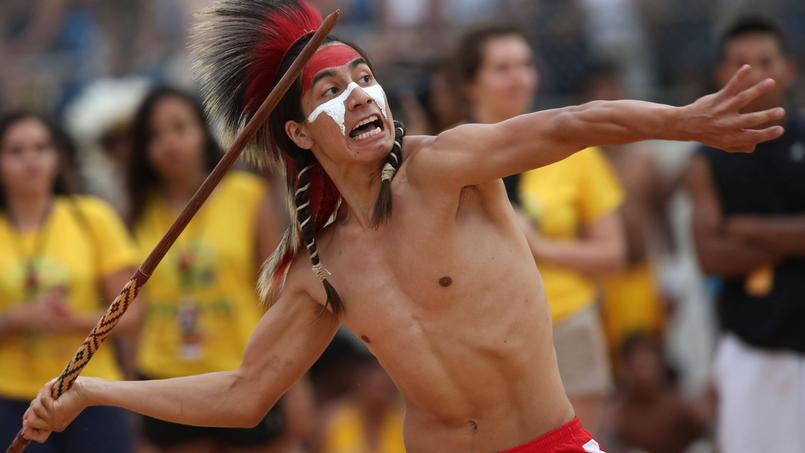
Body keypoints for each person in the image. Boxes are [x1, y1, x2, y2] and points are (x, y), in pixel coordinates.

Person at [21, 1, 784, 451]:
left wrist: (685, 121)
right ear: (296, 135)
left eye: (364, 79)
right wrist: (98, 391)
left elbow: (571, 123)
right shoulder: (317, 265)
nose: (359, 96)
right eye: (330, 90)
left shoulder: (445, 168)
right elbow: (246, 395)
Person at [453, 25, 624, 433]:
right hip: (484, 334)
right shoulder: (448, 157)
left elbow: (613, 254)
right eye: (502, 68)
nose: (518, 77)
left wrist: (537, 245)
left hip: (566, 321)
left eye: (525, 65)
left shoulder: (577, 151)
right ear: (470, 84)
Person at [125, 86, 304, 453]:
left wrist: (296, 383)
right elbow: (131, 312)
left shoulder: (247, 194)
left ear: (204, 131)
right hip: (164, 379)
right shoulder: (136, 212)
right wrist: (129, 391)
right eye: (155, 135)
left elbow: (279, 295)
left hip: (244, 372)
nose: (169, 143)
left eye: (179, 127)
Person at [685, 17, 805, 452]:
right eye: (741, 63)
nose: (755, 72)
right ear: (722, 75)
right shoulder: (705, 158)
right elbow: (710, 257)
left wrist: (748, 230)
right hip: (754, 344)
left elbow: (725, 243)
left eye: (766, 60)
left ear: (790, 67)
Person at [0, 112, 139, 452]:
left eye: (41, 147)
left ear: (58, 156)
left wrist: (70, 319)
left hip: (90, 392)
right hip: (10, 397)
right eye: (16, 151)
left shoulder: (93, 217)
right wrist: (19, 317)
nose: (30, 160)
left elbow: (133, 315)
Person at [581, 62, 671, 357]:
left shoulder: (644, 159)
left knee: (653, 362)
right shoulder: (580, 164)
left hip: (643, 275)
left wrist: (674, 270)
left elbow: (662, 213)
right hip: (601, 283)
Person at [601, 335, 707, 453]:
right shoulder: (617, 416)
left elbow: (706, 433)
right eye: (638, 366)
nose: (644, 375)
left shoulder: (680, 407)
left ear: (660, 366)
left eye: (648, 365)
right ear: (626, 370)